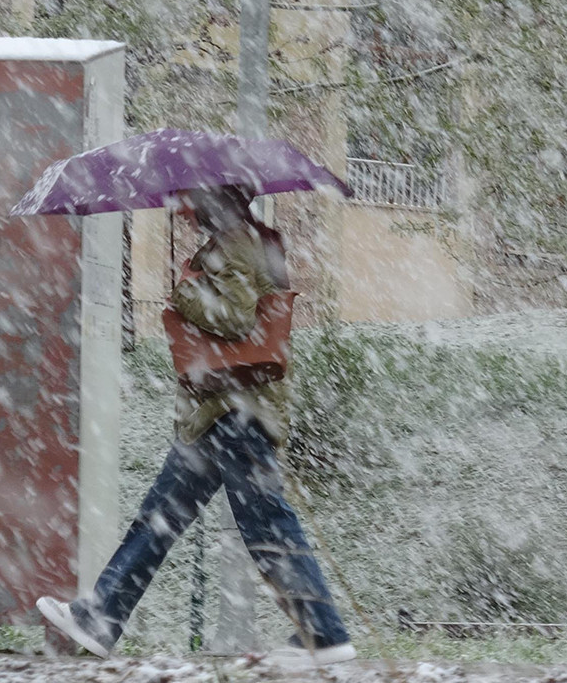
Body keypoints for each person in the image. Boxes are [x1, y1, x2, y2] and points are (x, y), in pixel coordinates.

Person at [36, 185, 356, 667]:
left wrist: (185, 293)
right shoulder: (240, 241)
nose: (181, 209)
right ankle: (99, 618)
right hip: (217, 413)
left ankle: (324, 634)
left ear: (214, 200)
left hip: (235, 412)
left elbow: (234, 318)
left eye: (187, 199)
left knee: (264, 522)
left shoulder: (234, 242)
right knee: (159, 519)